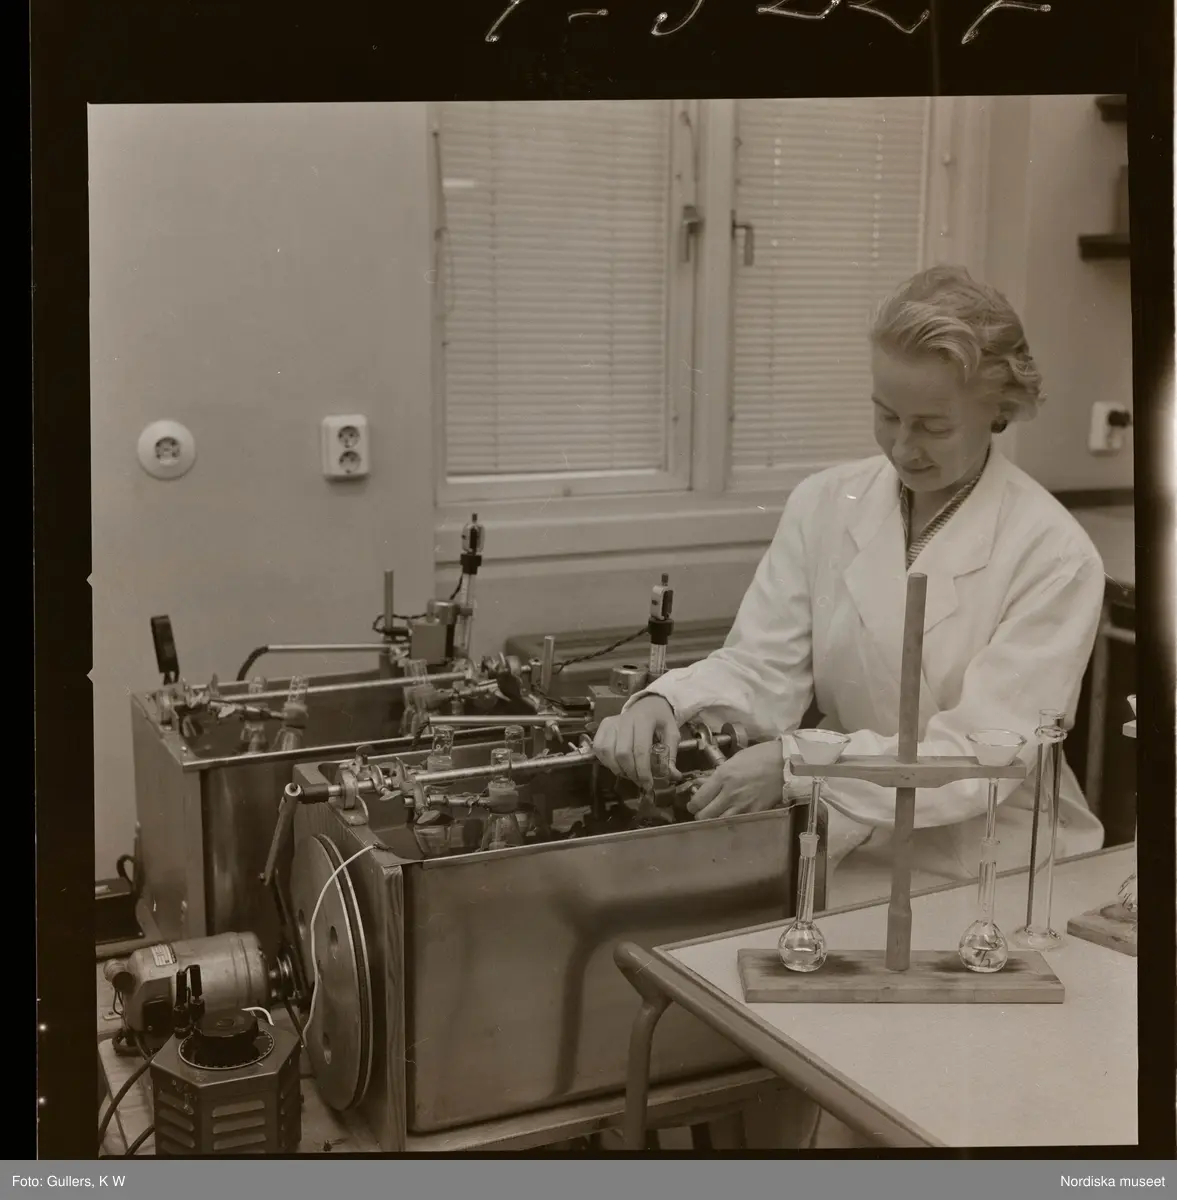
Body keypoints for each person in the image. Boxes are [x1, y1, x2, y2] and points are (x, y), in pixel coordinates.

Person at [594, 265, 1106, 912]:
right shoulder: (825, 502)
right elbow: (764, 666)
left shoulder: (1054, 555)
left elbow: (981, 758)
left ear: (1000, 410)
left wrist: (798, 764)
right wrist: (668, 702)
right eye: (885, 414)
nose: (903, 447)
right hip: (856, 831)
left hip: (995, 860)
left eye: (933, 426)